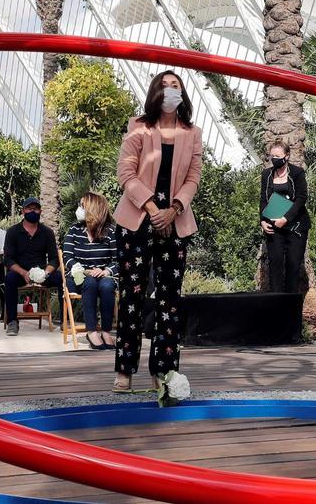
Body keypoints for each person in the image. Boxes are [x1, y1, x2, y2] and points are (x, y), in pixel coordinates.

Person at [112, 70, 203, 392]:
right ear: (154, 93)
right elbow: (125, 172)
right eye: (163, 86)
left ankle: (163, 373)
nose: (169, 91)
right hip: (137, 222)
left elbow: (193, 178)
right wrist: (152, 210)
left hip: (174, 223)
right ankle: (124, 370)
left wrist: (173, 209)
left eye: (175, 86)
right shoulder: (138, 127)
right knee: (133, 296)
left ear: (183, 94)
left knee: (169, 300)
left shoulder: (192, 133)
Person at [62, 193, 119, 350]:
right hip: (78, 277)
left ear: (93, 209)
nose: (79, 209)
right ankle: (92, 330)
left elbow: (119, 260)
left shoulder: (110, 232)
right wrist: (84, 271)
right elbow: (67, 257)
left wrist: (106, 271)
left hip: (103, 276)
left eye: (82, 205)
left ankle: (106, 331)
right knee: (90, 282)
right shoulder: (74, 230)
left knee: (107, 286)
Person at [2, 197, 61, 335]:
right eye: (29, 208)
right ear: (23, 211)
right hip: (21, 274)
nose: (32, 211)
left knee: (61, 278)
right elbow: (8, 260)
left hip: (42, 273)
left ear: (40, 211)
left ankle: (64, 319)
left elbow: (54, 259)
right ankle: (12, 321)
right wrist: (23, 273)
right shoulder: (12, 232)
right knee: (9, 279)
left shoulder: (47, 232)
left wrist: (46, 273)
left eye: (35, 209)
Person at [259, 141, 310, 294]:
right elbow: (263, 199)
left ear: (287, 156)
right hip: (274, 225)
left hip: (295, 225)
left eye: (278, 156)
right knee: (275, 265)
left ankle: (290, 308)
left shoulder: (297, 172)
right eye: (271, 156)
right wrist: (262, 220)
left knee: (293, 265)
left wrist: (286, 219)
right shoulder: (266, 174)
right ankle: (276, 305)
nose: (274, 159)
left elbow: (301, 197)